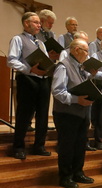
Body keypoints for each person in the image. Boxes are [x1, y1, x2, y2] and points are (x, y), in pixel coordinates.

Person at [52, 39, 97, 188]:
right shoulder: (63, 66)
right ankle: (65, 176)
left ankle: (78, 172)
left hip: (81, 113)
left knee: (79, 145)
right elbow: (58, 91)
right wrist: (77, 99)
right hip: (67, 113)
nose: (88, 54)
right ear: (76, 50)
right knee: (67, 146)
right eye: (86, 51)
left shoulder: (81, 68)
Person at [7, 12, 51, 160]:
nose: (40, 25)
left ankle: (39, 145)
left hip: (43, 80)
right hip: (27, 79)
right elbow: (11, 61)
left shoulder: (40, 43)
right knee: (24, 115)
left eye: (40, 23)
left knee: (43, 115)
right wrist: (29, 69)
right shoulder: (18, 39)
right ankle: (18, 147)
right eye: (36, 22)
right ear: (26, 24)